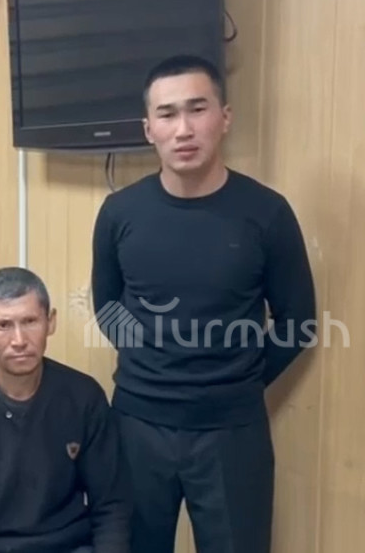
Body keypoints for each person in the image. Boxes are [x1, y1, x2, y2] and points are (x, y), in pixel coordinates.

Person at [90, 54, 317, 553]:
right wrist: (151, 362)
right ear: (148, 129)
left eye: (198, 109)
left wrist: (238, 378)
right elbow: (106, 304)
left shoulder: (267, 213)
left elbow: (298, 322)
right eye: (167, 114)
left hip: (232, 430)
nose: (184, 129)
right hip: (136, 425)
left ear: (224, 117)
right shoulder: (120, 212)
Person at [0, 267, 131, 553]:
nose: (19, 340)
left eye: (30, 321)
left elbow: (111, 507)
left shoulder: (84, 396)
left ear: (51, 322)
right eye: (3, 325)